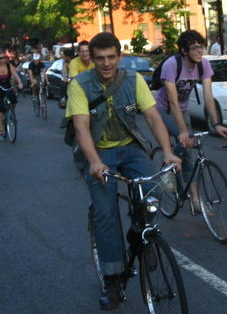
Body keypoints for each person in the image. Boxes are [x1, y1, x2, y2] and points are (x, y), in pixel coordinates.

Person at [66, 32, 181, 310]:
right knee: (106, 214)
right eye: (100, 58)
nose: (106, 63)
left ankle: (141, 235)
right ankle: (113, 279)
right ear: (92, 59)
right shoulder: (80, 84)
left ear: (119, 57)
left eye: (111, 57)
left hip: (130, 147)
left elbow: (152, 117)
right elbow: (81, 127)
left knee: (152, 195)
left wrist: (167, 151)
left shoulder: (132, 79)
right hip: (99, 152)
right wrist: (94, 161)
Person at [153, 30, 227, 207]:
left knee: (189, 154)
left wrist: (216, 123)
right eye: (194, 48)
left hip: (183, 111)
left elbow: (209, 97)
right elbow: (172, 101)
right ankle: (167, 170)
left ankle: (195, 199)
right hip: (163, 111)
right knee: (185, 142)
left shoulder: (204, 65)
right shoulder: (172, 65)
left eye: (201, 47)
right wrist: (183, 131)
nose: (199, 51)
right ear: (183, 50)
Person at [0, 50, 23, 137]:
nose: (4, 59)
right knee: (1, 108)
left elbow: (15, 75)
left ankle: (11, 112)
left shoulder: (9, 65)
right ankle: (1, 128)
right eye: (2, 58)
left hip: (8, 86)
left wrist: (20, 83)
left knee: (14, 99)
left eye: (5, 57)